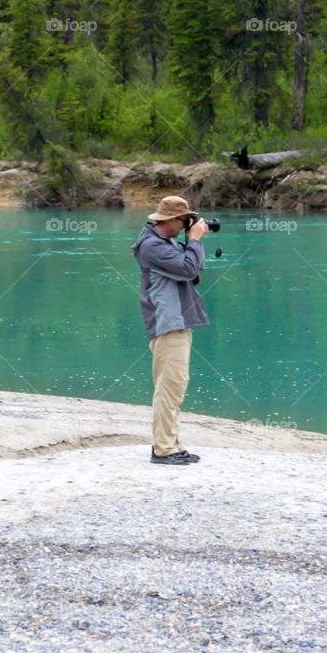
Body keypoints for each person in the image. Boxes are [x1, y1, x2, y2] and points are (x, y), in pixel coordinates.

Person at [132, 195, 210, 465]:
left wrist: (191, 244)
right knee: (168, 389)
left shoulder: (165, 242)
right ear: (171, 220)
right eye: (184, 219)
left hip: (178, 321)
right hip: (168, 324)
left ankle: (173, 444)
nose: (187, 224)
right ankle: (163, 449)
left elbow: (192, 268)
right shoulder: (152, 246)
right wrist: (195, 240)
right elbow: (189, 268)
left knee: (176, 386)